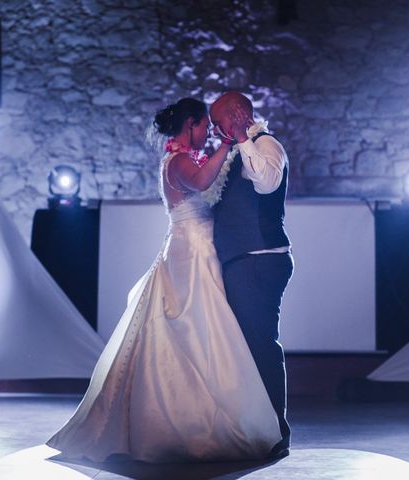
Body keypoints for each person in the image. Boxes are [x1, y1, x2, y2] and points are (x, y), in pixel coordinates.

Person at [46, 98, 281, 463]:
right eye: (206, 125)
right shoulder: (180, 160)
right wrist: (228, 143)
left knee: (208, 335)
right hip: (191, 252)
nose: (210, 132)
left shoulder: (187, 157)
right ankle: (189, 421)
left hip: (203, 249)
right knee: (193, 330)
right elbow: (204, 182)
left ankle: (213, 412)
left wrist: (232, 146)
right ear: (190, 125)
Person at [209, 92, 294, 458]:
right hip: (243, 261)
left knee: (260, 346)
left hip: (259, 260)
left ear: (237, 115)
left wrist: (243, 136)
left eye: (218, 121)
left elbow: (267, 183)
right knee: (245, 348)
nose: (214, 130)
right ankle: (253, 428)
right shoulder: (235, 152)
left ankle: (275, 433)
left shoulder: (266, 145)